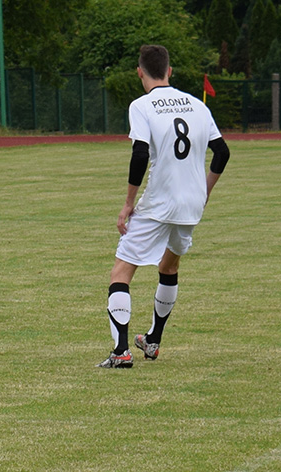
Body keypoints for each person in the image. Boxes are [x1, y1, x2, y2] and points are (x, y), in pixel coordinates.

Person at [97, 45, 230, 368]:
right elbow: (222, 152)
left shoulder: (141, 106)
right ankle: (153, 340)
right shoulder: (198, 105)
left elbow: (140, 154)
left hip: (158, 203)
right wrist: (205, 192)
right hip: (191, 204)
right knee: (169, 267)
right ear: (170, 71)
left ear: (140, 72)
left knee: (121, 271)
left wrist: (128, 203)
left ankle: (121, 352)